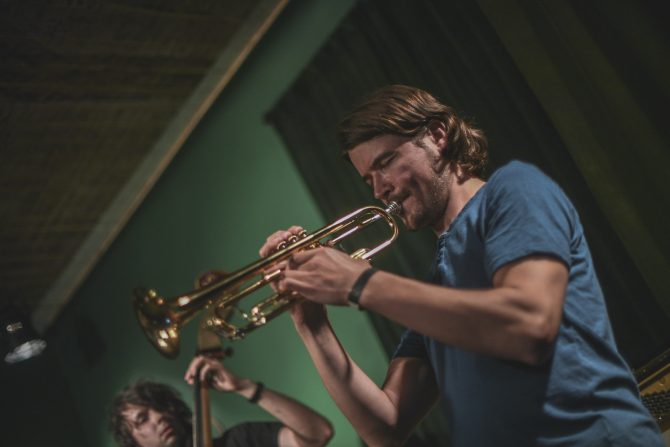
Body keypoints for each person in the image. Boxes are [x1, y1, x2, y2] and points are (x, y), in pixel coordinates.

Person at [259, 85, 664, 446]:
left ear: (438, 135)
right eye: (369, 179)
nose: (380, 189)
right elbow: (385, 427)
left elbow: (529, 324)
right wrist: (310, 323)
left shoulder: (514, 190)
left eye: (387, 162)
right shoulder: (437, 287)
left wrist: (361, 283)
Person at [108, 355, 333, 447]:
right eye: (142, 419)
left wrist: (245, 387)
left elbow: (319, 433)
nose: (159, 417)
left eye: (161, 407)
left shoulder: (240, 440)